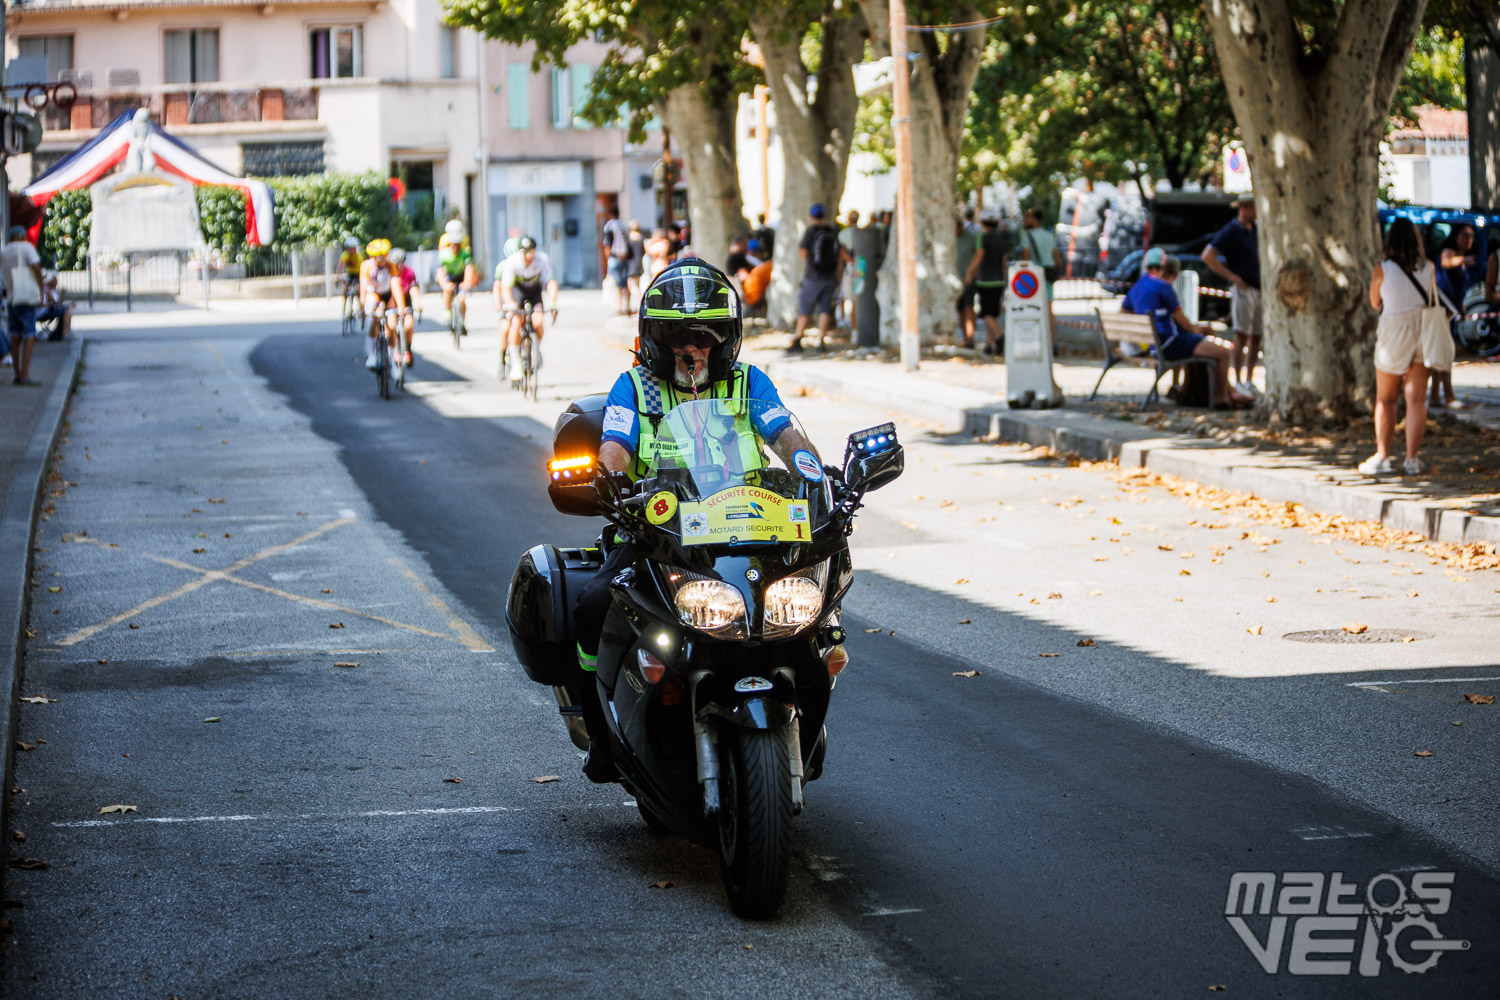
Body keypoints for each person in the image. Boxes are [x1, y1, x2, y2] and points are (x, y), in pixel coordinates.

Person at [573, 258, 820, 781]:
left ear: (727, 341)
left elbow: (785, 435)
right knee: (592, 605)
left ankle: (809, 718)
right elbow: (614, 446)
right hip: (654, 536)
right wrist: (609, 481)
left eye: (707, 338)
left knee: (816, 613)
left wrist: (815, 474)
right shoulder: (633, 388)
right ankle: (601, 730)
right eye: (680, 338)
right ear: (657, 342)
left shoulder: (751, 383)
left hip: (753, 530)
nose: (694, 350)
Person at [1360, 218, 1456, 476]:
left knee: (1386, 398)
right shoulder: (1429, 268)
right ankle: (1412, 459)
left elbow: (1374, 301)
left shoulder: (1383, 268)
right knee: (1416, 400)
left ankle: (1383, 455)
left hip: (1394, 332)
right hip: (1423, 331)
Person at [1125, 248, 1253, 409]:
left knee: (1200, 343)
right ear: (1163, 267)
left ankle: (1198, 391)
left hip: (1153, 344)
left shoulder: (1138, 286)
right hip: (1167, 344)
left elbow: (1124, 311)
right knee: (1223, 353)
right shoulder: (1163, 287)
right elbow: (1181, 319)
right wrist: (1196, 331)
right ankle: (1222, 398)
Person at [1201, 196, 1262, 394]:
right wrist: (1233, 277)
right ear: (1244, 208)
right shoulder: (1231, 230)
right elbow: (1208, 255)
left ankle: (1249, 380)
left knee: (1256, 336)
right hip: (1243, 289)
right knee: (1241, 334)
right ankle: (1237, 381)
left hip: (1259, 288)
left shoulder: (1256, 229)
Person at [493, 235, 559, 382]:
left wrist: (553, 303)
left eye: (532, 252)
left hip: (534, 293)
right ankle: (516, 363)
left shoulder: (542, 261)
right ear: (520, 252)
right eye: (525, 252)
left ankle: (536, 349)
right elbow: (505, 288)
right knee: (516, 321)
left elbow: (550, 283)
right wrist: (510, 304)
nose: (529, 256)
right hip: (518, 294)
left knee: (538, 321)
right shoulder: (512, 262)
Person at [1432, 223, 1482, 410]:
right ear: (1455, 236)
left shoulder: (1462, 260)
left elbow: (1456, 289)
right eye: (1464, 235)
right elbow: (1446, 261)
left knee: (1442, 354)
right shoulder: (1451, 254)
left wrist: (1460, 306)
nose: (1468, 239)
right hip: (1441, 312)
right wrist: (1462, 259)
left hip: (1450, 311)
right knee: (1445, 354)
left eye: (1471, 236)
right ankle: (1448, 395)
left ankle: (1436, 395)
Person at [791, 203, 840, 352]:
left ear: (811, 216)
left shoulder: (811, 231)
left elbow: (804, 252)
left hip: (813, 276)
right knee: (825, 309)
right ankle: (821, 341)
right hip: (829, 277)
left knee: (805, 309)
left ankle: (798, 340)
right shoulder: (831, 230)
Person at [962, 214, 1011, 355]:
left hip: (985, 281)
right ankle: (990, 344)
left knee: (986, 313)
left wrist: (969, 271)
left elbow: (979, 256)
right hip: (999, 280)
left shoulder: (982, 238)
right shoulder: (1001, 239)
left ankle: (999, 336)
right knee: (993, 313)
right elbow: (1004, 262)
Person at [3, 227, 46, 385]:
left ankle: (17, 374)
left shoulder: (4, 251)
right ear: (21, 236)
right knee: (30, 334)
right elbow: (36, 268)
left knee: (15, 335)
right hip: (26, 298)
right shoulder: (27, 248)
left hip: (11, 298)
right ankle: (25, 375)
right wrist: (42, 290)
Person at [1015, 208, 1062, 345]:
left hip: (1031, 279)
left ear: (1034, 219)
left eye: (1027, 218)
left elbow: (1025, 260)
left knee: (1031, 309)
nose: (1025, 221)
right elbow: (1057, 260)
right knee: (1049, 311)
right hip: (1047, 276)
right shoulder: (1049, 236)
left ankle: (1035, 341)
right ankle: (1053, 342)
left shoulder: (1027, 237)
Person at [358, 239, 407, 370]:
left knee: (391, 325)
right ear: (372, 257)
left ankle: (392, 357)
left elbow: (396, 286)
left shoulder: (391, 265)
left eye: (385, 256)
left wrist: (401, 306)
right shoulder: (366, 266)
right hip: (374, 294)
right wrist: (362, 307)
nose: (383, 259)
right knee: (377, 315)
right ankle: (371, 355)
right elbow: (363, 289)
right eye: (380, 257)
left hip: (387, 294)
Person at [435, 220, 478, 332]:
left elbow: (469, 267)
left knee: (462, 299)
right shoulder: (444, 243)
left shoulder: (464, 246)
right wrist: (443, 283)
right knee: (447, 290)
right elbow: (440, 269)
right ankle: (447, 311)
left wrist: (468, 282)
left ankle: (462, 322)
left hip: (461, 273)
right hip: (449, 274)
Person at [955, 207, 982, 347]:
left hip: (968, 278)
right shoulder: (951, 239)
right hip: (955, 279)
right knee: (959, 309)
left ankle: (970, 337)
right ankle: (964, 336)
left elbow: (978, 256)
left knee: (969, 307)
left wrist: (971, 272)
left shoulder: (971, 237)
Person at [389, 247, 419, 366]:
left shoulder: (409, 272)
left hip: (406, 301)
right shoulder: (389, 273)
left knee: (408, 325)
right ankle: (394, 349)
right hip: (392, 302)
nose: (399, 266)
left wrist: (417, 304)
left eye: (401, 263)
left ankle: (407, 348)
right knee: (391, 325)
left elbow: (413, 289)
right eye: (396, 263)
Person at [601, 206, 630, 315]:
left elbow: (607, 243)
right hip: (625, 256)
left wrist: (608, 257)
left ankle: (619, 308)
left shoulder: (609, 226)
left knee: (617, 283)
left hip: (615, 256)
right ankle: (626, 306)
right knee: (625, 282)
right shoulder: (624, 225)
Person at [838, 209, 861, 330]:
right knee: (856, 300)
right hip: (859, 267)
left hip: (849, 268)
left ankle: (854, 329)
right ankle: (855, 327)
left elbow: (842, 254)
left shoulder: (843, 234)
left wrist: (839, 271)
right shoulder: (860, 232)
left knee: (851, 299)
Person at [38, 271, 73, 341]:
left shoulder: (51, 290)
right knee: (66, 311)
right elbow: (54, 303)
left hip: (47, 310)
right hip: (43, 312)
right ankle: (63, 334)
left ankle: (64, 333)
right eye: (55, 281)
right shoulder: (46, 290)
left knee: (67, 310)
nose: (56, 283)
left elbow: (57, 303)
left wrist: (62, 296)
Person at [625, 220, 646, 310]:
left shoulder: (629, 238)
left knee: (629, 286)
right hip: (639, 264)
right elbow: (643, 251)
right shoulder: (640, 238)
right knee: (638, 287)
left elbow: (627, 252)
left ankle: (628, 306)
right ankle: (639, 306)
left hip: (630, 264)